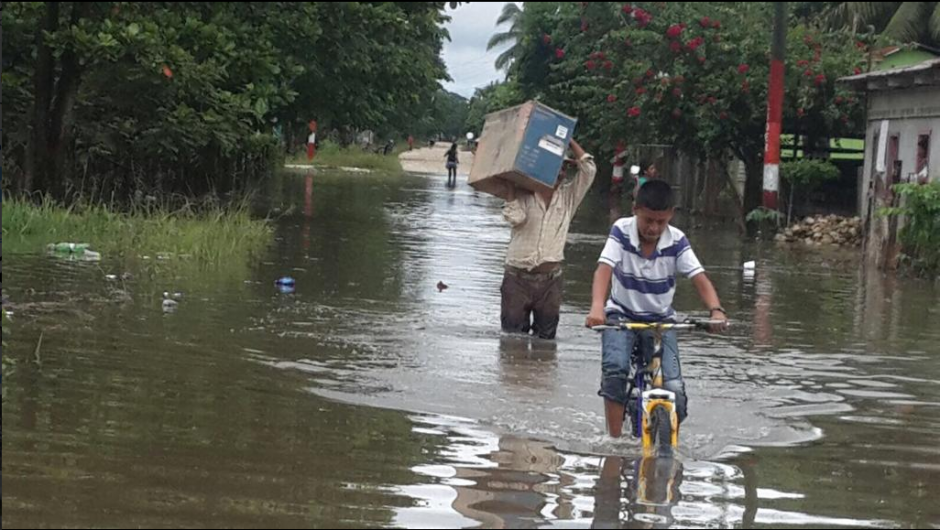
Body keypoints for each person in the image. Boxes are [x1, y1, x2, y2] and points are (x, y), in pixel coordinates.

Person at [585, 180, 728, 438]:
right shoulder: (620, 231)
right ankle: (614, 441)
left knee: (675, 389)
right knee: (615, 371)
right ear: (635, 210)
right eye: (648, 220)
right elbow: (603, 270)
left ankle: (666, 441)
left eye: (660, 222)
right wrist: (597, 308)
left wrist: (716, 311)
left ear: (671, 215)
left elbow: (700, 279)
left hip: (662, 321)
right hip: (621, 315)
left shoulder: (677, 240)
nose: (653, 228)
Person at [489, 139, 596, 340]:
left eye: (564, 168)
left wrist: (569, 140)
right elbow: (515, 218)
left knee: (546, 343)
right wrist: (511, 191)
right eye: (556, 167)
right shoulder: (522, 194)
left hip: (550, 281)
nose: (560, 173)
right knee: (512, 341)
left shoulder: (568, 197)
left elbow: (589, 170)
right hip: (516, 279)